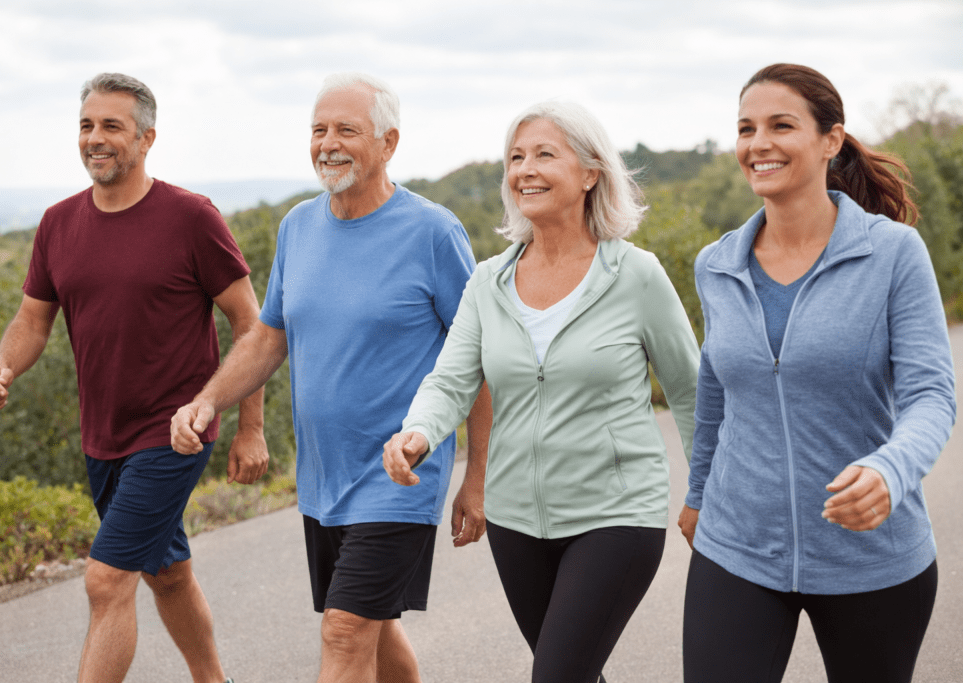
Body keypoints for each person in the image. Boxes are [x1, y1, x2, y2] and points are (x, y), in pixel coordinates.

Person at [170, 72, 492, 683]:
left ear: (389, 143)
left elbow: (476, 359)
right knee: (374, 628)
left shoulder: (433, 232)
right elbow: (268, 336)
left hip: (400, 476)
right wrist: (207, 401)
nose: (328, 143)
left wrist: (474, 479)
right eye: (318, 130)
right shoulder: (298, 227)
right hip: (323, 478)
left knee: (344, 631)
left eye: (347, 129)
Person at [383, 100, 700, 683]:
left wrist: (708, 489)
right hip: (516, 521)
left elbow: (691, 391)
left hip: (617, 512)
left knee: (556, 676)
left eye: (544, 154)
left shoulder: (636, 276)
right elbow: (451, 380)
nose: (524, 168)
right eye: (516, 157)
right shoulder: (488, 282)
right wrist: (419, 432)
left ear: (589, 173)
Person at [0, 73, 266, 683]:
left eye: (112, 126)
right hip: (102, 436)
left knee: (107, 580)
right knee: (168, 573)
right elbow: (33, 319)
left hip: (175, 434)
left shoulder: (191, 217)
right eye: (86, 125)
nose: (95, 139)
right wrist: (3, 368)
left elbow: (251, 326)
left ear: (147, 138)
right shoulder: (57, 223)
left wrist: (249, 429)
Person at [678, 63, 956, 683]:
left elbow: (932, 393)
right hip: (737, 545)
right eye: (747, 128)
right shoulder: (716, 264)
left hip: (871, 556)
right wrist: (697, 495)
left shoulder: (892, 253)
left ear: (830, 140)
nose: (759, 144)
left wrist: (891, 469)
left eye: (781, 125)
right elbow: (716, 394)